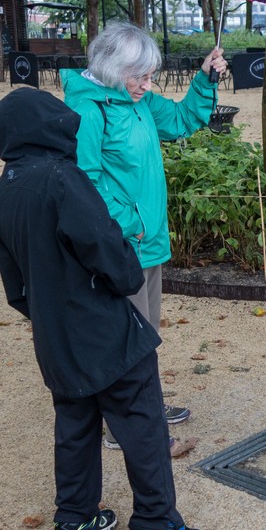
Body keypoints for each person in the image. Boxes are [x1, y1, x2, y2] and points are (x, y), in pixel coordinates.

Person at [0, 88, 204, 530]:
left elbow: (15, 285)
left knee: (75, 424)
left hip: (55, 335)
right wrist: (125, 275)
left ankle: (76, 515)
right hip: (105, 328)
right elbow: (104, 243)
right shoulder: (63, 178)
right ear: (50, 127)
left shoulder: (3, 191)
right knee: (141, 423)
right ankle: (155, 522)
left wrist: (49, 315)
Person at [62, 22, 228, 450]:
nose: (146, 84)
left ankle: (144, 405)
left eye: (149, 75)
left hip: (147, 244)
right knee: (126, 336)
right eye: (139, 75)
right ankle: (129, 426)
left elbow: (180, 120)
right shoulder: (91, 109)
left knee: (145, 331)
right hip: (123, 246)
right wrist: (131, 224)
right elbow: (84, 182)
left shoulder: (136, 101)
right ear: (113, 68)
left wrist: (205, 78)